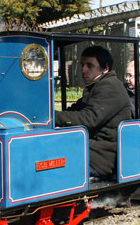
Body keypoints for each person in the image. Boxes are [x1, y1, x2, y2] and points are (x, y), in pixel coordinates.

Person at [55, 46, 131, 179]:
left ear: (105, 68)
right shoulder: (96, 87)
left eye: (90, 65)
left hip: (101, 156)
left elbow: (88, 118)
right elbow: (74, 110)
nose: (83, 70)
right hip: (90, 148)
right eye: (82, 65)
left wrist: (51, 117)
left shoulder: (110, 87)